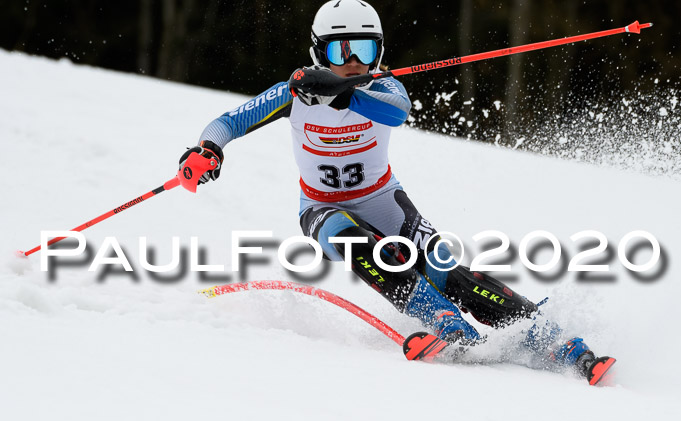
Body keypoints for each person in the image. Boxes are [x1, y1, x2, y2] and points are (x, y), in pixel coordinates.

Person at [179, 0, 610, 382]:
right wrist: (207, 151)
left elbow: (397, 112)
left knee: (449, 272)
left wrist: (343, 96)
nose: (351, 62)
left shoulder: (384, 87)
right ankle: (438, 317)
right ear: (317, 51)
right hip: (321, 207)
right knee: (353, 241)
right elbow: (229, 122)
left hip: (386, 202)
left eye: (362, 50)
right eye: (338, 50)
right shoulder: (294, 94)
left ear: (378, 53)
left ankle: (548, 337)